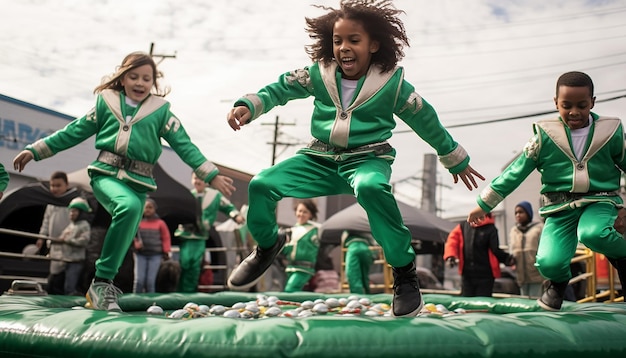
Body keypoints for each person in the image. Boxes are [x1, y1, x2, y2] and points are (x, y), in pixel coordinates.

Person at [225, 0, 484, 317]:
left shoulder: (391, 84)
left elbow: (425, 119)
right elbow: (280, 89)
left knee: (372, 189)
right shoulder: (318, 74)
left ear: (374, 44)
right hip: (318, 157)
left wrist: (453, 156)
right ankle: (266, 246)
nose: (344, 48)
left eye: (353, 40)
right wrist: (249, 106)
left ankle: (404, 274)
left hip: (366, 159)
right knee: (262, 184)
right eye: (337, 41)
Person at [12, 51, 236, 311]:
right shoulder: (106, 103)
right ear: (122, 78)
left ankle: (104, 286)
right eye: (134, 77)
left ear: (154, 82)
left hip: (140, 183)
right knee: (127, 207)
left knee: (129, 222)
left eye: (146, 79)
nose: (140, 83)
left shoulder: (161, 112)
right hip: (106, 174)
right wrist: (36, 149)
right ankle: (101, 282)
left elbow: (185, 145)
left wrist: (211, 174)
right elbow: (72, 132)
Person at [468, 71, 626, 311]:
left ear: (593, 102)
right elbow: (516, 171)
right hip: (559, 208)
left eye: (582, 105)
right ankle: (557, 284)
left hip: (599, 201)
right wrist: (485, 202)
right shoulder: (545, 136)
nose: (574, 112)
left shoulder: (610, 131)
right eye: (566, 105)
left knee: (593, 233)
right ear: (555, 103)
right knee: (547, 262)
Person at [175, 172, 244, 293]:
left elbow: (228, 207)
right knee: (183, 265)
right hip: (186, 235)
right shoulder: (188, 196)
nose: (198, 181)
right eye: (195, 178)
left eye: (200, 178)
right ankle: (181, 292)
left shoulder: (214, 196)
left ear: (206, 181)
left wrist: (236, 216)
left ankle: (189, 292)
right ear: (191, 180)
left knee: (195, 266)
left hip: (200, 236)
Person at [443, 213, 515, 297]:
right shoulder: (464, 226)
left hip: (484, 275)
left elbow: (495, 250)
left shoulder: (489, 228)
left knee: (477, 302)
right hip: (468, 275)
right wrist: (450, 255)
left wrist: (507, 259)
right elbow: (452, 241)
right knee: (472, 302)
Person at [38, 171, 72, 294]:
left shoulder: (71, 202)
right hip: (53, 244)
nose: (54, 188)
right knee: (54, 271)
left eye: (58, 185)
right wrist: (41, 237)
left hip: (66, 244)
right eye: (52, 185)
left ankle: (57, 293)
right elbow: (46, 222)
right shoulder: (50, 204)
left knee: (60, 274)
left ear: (66, 185)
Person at [132, 198, 171, 293]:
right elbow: (132, 235)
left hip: (155, 255)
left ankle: (150, 302)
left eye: (150, 207)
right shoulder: (137, 222)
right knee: (139, 280)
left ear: (154, 209)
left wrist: (166, 251)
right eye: (146, 207)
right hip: (140, 254)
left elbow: (166, 237)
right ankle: (135, 301)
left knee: (150, 281)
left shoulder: (160, 223)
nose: (148, 210)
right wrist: (135, 243)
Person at [281, 199, 321, 292]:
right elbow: (287, 250)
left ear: (311, 214)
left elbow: (311, 250)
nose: (301, 214)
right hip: (290, 267)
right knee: (289, 291)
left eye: (305, 212)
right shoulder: (293, 229)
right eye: (300, 211)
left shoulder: (314, 230)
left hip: (304, 269)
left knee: (290, 290)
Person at [55, 197, 92, 295]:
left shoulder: (84, 225)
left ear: (81, 213)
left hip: (75, 261)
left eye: (75, 211)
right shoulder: (71, 225)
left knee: (69, 287)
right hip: (66, 259)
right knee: (58, 284)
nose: (72, 213)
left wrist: (68, 240)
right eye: (71, 211)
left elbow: (84, 240)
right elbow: (62, 237)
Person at [509, 201, 544, 298]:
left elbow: (544, 249)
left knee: (535, 300)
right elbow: (512, 250)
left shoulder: (539, 228)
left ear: (528, 213)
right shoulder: (514, 231)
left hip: (535, 274)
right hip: (521, 275)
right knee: (524, 301)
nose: (518, 215)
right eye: (516, 213)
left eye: (521, 212)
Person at [341, 230, 377, 294]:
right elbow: (375, 245)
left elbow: (343, 246)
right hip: (366, 249)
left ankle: (358, 296)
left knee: (353, 275)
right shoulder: (365, 228)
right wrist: (373, 256)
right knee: (364, 275)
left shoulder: (346, 231)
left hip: (353, 248)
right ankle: (367, 295)